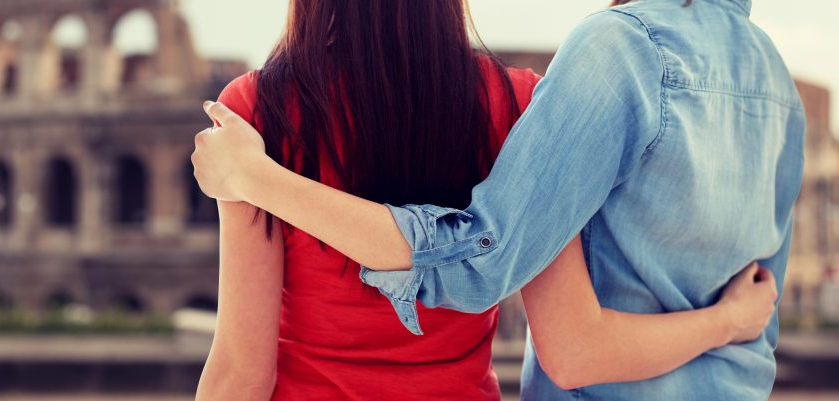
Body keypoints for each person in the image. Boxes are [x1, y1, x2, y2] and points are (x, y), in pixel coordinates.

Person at [193, 0, 789, 400]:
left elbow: (242, 370)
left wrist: (253, 176)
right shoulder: (514, 104)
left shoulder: (259, 114)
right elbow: (572, 338)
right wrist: (729, 321)